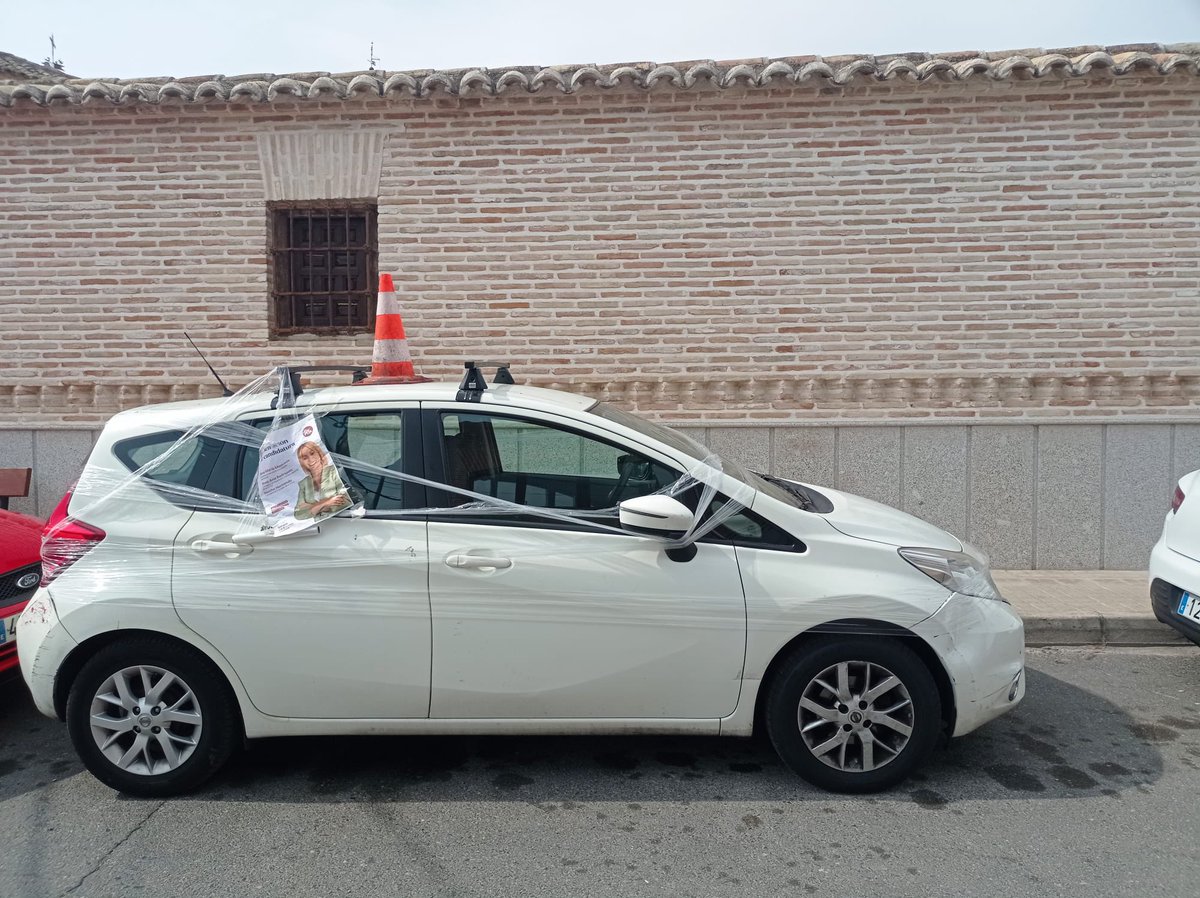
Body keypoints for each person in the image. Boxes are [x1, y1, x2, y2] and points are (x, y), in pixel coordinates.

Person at [294, 441, 352, 520]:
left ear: (319, 453)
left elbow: (347, 500)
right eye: (305, 458)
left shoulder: (335, 471)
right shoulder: (304, 483)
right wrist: (327, 503)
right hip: (319, 527)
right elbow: (298, 514)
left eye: (312, 453)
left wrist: (312, 508)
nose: (310, 459)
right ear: (302, 462)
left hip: (343, 521)